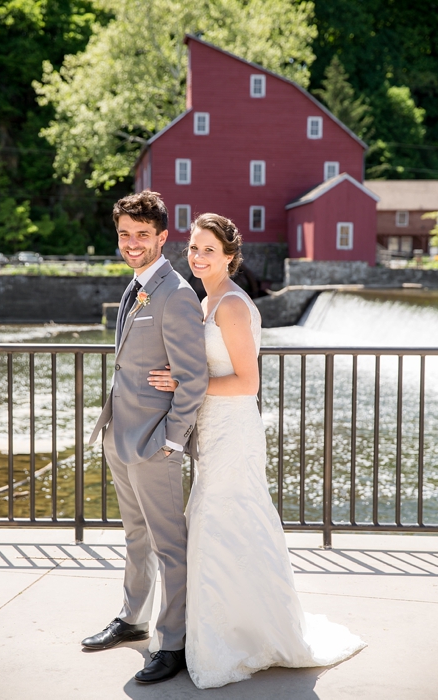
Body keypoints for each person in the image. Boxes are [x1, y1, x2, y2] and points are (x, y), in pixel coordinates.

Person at [148, 212, 365, 688]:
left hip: (233, 431)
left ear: (229, 256)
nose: (198, 256)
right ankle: (221, 629)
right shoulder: (207, 300)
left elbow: (248, 382)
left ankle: (240, 637)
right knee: (219, 523)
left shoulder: (229, 305)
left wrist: (188, 382)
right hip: (212, 429)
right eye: (193, 248)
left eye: (209, 249)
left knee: (221, 520)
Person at [84, 191, 209, 684]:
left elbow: (192, 379)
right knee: (135, 535)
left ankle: (173, 641)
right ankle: (132, 619)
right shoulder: (135, 286)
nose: (132, 243)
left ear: (162, 238)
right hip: (120, 434)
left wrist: (172, 441)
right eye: (124, 235)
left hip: (154, 442)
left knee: (168, 545)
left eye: (142, 235)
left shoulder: (176, 294)